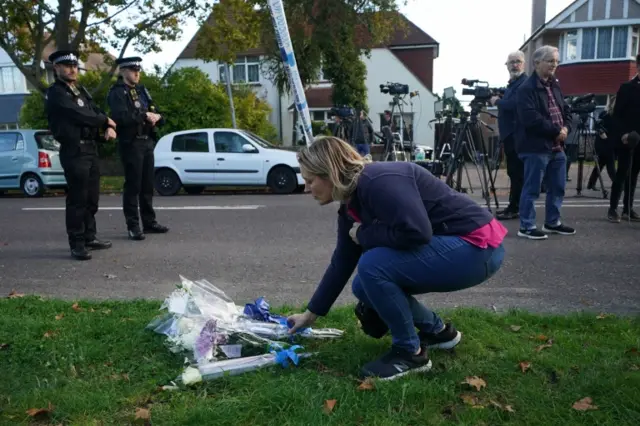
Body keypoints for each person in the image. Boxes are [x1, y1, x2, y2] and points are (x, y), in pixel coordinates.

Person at [286, 136, 507, 381]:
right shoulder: (351, 203)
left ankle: (409, 353)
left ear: (330, 173)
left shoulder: (378, 180)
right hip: (464, 248)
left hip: (479, 247)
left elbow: (418, 232)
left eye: (309, 180)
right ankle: (438, 333)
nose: (306, 188)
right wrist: (311, 314)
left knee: (373, 266)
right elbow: (342, 261)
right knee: (363, 284)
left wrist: (364, 234)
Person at [45, 50, 116, 260]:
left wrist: (105, 129)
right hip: (74, 150)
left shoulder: (80, 91)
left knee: (92, 198)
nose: (72, 69)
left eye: (75, 65)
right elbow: (79, 114)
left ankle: (89, 237)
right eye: (67, 65)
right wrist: (105, 121)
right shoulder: (56, 93)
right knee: (78, 199)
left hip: (90, 149)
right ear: (56, 68)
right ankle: (76, 243)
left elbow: (93, 111)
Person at [515, 45, 575, 240]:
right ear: (537, 62)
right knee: (532, 188)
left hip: (558, 147)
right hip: (536, 147)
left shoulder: (554, 84)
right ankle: (526, 226)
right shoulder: (526, 89)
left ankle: (552, 222)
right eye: (550, 61)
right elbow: (530, 119)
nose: (554, 65)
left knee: (557, 187)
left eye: (556, 61)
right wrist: (557, 131)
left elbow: (565, 110)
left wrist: (566, 128)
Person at [107, 56, 169, 240]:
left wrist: (157, 117)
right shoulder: (117, 93)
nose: (137, 73)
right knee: (133, 186)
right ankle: (133, 225)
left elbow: (156, 111)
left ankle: (149, 222)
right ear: (123, 71)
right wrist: (144, 116)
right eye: (133, 70)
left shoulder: (142, 91)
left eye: (138, 70)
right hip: (131, 143)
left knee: (147, 185)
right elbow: (121, 118)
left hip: (146, 141)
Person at [490, 51, 528, 220]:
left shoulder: (523, 83)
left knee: (517, 172)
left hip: (517, 135)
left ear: (524, 64)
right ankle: (513, 206)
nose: (515, 65)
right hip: (510, 135)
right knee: (514, 172)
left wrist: (496, 101)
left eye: (518, 61)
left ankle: (515, 208)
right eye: (511, 62)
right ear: (506, 65)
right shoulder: (513, 84)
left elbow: (514, 105)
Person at [608, 57, 640, 223]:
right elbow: (617, 115)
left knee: (634, 175)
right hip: (627, 138)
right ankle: (613, 208)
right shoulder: (627, 88)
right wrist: (623, 134)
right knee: (623, 173)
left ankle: (628, 208)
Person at [587, 98, 617, 191]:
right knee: (610, 165)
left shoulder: (604, 114)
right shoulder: (611, 116)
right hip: (607, 143)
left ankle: (591, 183)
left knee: (600, 165)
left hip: (603, 143)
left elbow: (598, 126)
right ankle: (617, 183)